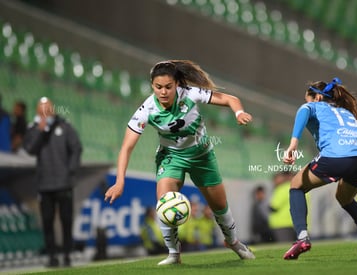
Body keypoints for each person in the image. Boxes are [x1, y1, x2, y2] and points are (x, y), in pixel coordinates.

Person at [104, 60, 255, 265]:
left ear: (176, 84)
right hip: (171, 157)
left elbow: (230, 99)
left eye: (168, 87)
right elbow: (126, 148)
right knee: (164, 202)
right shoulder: (146, 109)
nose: (163, 92)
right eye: (158, 87)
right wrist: (120, 181)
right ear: (152, 86)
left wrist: (239, 112)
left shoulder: (190, 93)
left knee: (219, 206)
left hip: (202, 156)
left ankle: (234, 242)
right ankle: (174, 254)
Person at [282, 77, 357, 260]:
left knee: (296, 185)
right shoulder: (347, 114)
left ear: (316, 98)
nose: (305, 102)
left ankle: (302, 238)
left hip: (337, 156)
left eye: (307, 98)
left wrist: (293, 145)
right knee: (344, 198)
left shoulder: (314, 107)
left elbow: (303, 110)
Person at [23, 97, 82, 267]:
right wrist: (41, 132)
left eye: (48, 109)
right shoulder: (33, 129)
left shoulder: (65, 126)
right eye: (42, 110)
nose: (45, 113)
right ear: (37, 112)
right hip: (45, 184)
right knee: (47, 222)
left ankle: (67, 255)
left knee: (66, 220)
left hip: (64, 183)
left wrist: (70, 170)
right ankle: (52, 257)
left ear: (53, 110)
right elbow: (30, 150)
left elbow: (76, 148)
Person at [269, 172, 296, 243]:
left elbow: (273, 207)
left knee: (285, 247)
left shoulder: (283, 188)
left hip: (281, 224)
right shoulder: (301, 187)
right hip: (297, 222)